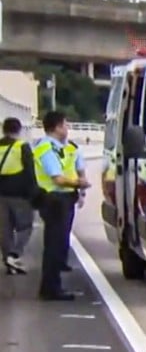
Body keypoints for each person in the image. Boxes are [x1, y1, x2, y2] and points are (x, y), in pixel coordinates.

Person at [32, 111, 89, 301]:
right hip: (53, 199)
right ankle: (50, 288)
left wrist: (79, 189)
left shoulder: (68, 147)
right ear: (56, 127)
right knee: (54, 245)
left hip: (65, 199)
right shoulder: (45, 148)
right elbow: (57, 178)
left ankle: (53, 286)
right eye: (65, 125)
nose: (67, 128)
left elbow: (77, 170)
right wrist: (79, 184)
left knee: (60, 243)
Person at [0, 117, 36, 275]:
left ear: (3, 129)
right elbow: (30, 172)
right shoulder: (22, 146)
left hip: (1, 195)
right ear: (19, 130)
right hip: (20, 196)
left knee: (4, 230)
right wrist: (34, 193)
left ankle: (9, 262)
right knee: (26, 226)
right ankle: (15, 254)